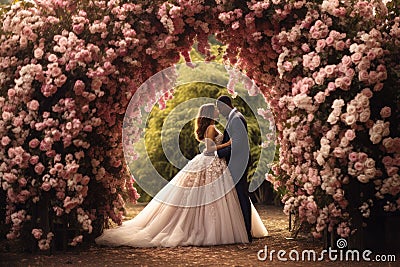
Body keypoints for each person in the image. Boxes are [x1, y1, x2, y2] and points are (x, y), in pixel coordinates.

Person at [95, 103, 267, 247]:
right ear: (210, 114)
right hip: (211, 161)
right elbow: (209, 150)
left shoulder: (210, 126)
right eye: (214, 110)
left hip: (211, 162)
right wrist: (228, 143)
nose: (216, 111)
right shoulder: (212, 127)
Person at [214, 95, 253, 242]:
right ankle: (244, 230)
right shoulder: (235, 117)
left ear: (226, 105)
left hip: (238, 163)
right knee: (240, 195)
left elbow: (236, 144)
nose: (219, 111)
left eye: (219, 108)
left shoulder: (236, 119)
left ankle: (246, 233)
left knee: (241, 195)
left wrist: (218, 153)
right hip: (237, 162)